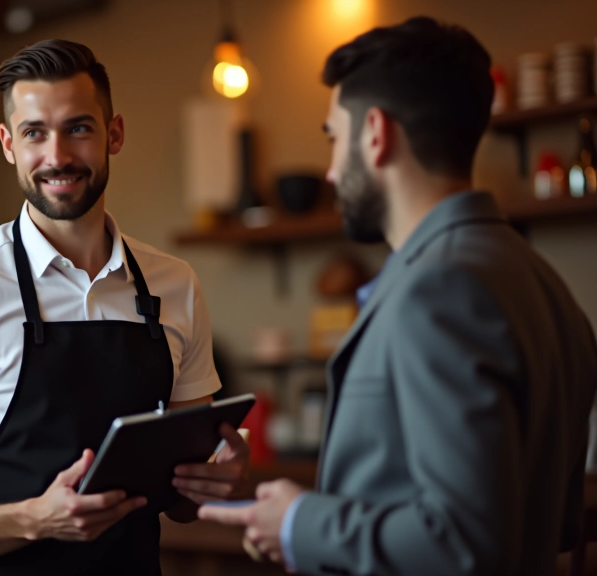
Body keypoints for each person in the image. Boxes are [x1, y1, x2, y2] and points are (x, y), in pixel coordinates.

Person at [198, 16, 597, 576]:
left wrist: (300, 522)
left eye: (334, 138)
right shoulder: (546, 285)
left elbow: (466, 540)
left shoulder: (436, 290)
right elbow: (556, 525)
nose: (332, 173)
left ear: (376, 134)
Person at [0, 39, 253, 575]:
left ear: (114, 134)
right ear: (8, 143)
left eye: (78, 128)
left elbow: (180, 501)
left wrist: (214, 479)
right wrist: (35, 519)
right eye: (34, 132)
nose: (57, 156)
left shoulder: (174, 284)